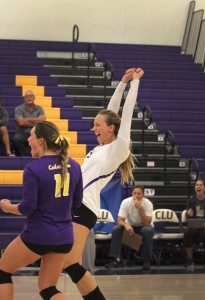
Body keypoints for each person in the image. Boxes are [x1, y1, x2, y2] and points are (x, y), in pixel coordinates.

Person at [63, 68, 144, 300]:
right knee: (71, 263)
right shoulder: (101, 148)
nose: (93, 128)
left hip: (84, 208)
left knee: (70, 261)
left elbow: (124, 117)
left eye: (98, 125)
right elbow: (112, 112)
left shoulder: (118, 149)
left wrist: (135, 84)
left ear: (111, 128)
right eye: (94, 124)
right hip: (73, 205)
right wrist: (122, 82)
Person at [0, 121, 83, 300]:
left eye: (31, 136)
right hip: (65, 236)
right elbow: (77, 204)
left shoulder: (33, 169)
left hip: (39, 235)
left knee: (2, 272)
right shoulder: (74, 166)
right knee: (48, 288)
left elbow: (27, 207)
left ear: (41, 140)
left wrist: (7, 207)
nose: (28, 140)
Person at [105, 185, 154, 270]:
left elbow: (147, 223)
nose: (136, 196)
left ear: (143, 195)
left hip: (144, 227)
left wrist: (140, 208)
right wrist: (126, 225)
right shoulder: (126, 202)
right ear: (132, 194)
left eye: (139, 194)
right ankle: (116, 259)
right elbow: (120, 220)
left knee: (148, 231)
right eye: (134, 193)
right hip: (130, 226)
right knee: (116, 229)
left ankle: (146, 261)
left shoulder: (148, 204)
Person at [183, 179, 205, 269]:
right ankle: (190, 260)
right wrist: (188, 214)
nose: (198, 186)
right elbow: (187, 216)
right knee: (187, 232)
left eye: (200, 185)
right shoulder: (191, 200)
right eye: (196, 185)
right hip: (195, 225)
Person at [13, 90, 46, 156]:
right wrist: (36, 121)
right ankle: (22, 158)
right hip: (23, 134)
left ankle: (40, 158)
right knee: (16, 139)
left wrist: (27, 119)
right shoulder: (18, 108)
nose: (29, 98)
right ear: (24, 99)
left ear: (34, 98)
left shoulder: (40, 109)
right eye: (27, 96)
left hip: (36, 134)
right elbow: (20, 123)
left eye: (31, 96)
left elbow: (42, 121)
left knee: (46, 138)